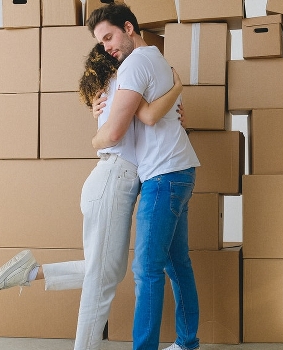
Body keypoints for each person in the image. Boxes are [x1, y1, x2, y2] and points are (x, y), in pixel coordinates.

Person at [0, 42, 184, 350]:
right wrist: (177, 88)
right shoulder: (121, 87)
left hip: (111, 181)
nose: (123, 53)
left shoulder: (111, 91)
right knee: (102, 282)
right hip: (113, 180)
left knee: (107, 271)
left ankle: (30, 271)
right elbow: (147, 118)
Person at [86, 4, 201, 350]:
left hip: (163, 176)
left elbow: (117, 130)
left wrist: (94, 138)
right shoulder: (156, 58)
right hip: (179, 170)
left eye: (109, 37)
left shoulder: (134, 63)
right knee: (177, 264)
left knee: (146, 270)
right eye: (101, 42)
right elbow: (150, 114)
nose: (106, 47)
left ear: (129, 27)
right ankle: (186, 343)